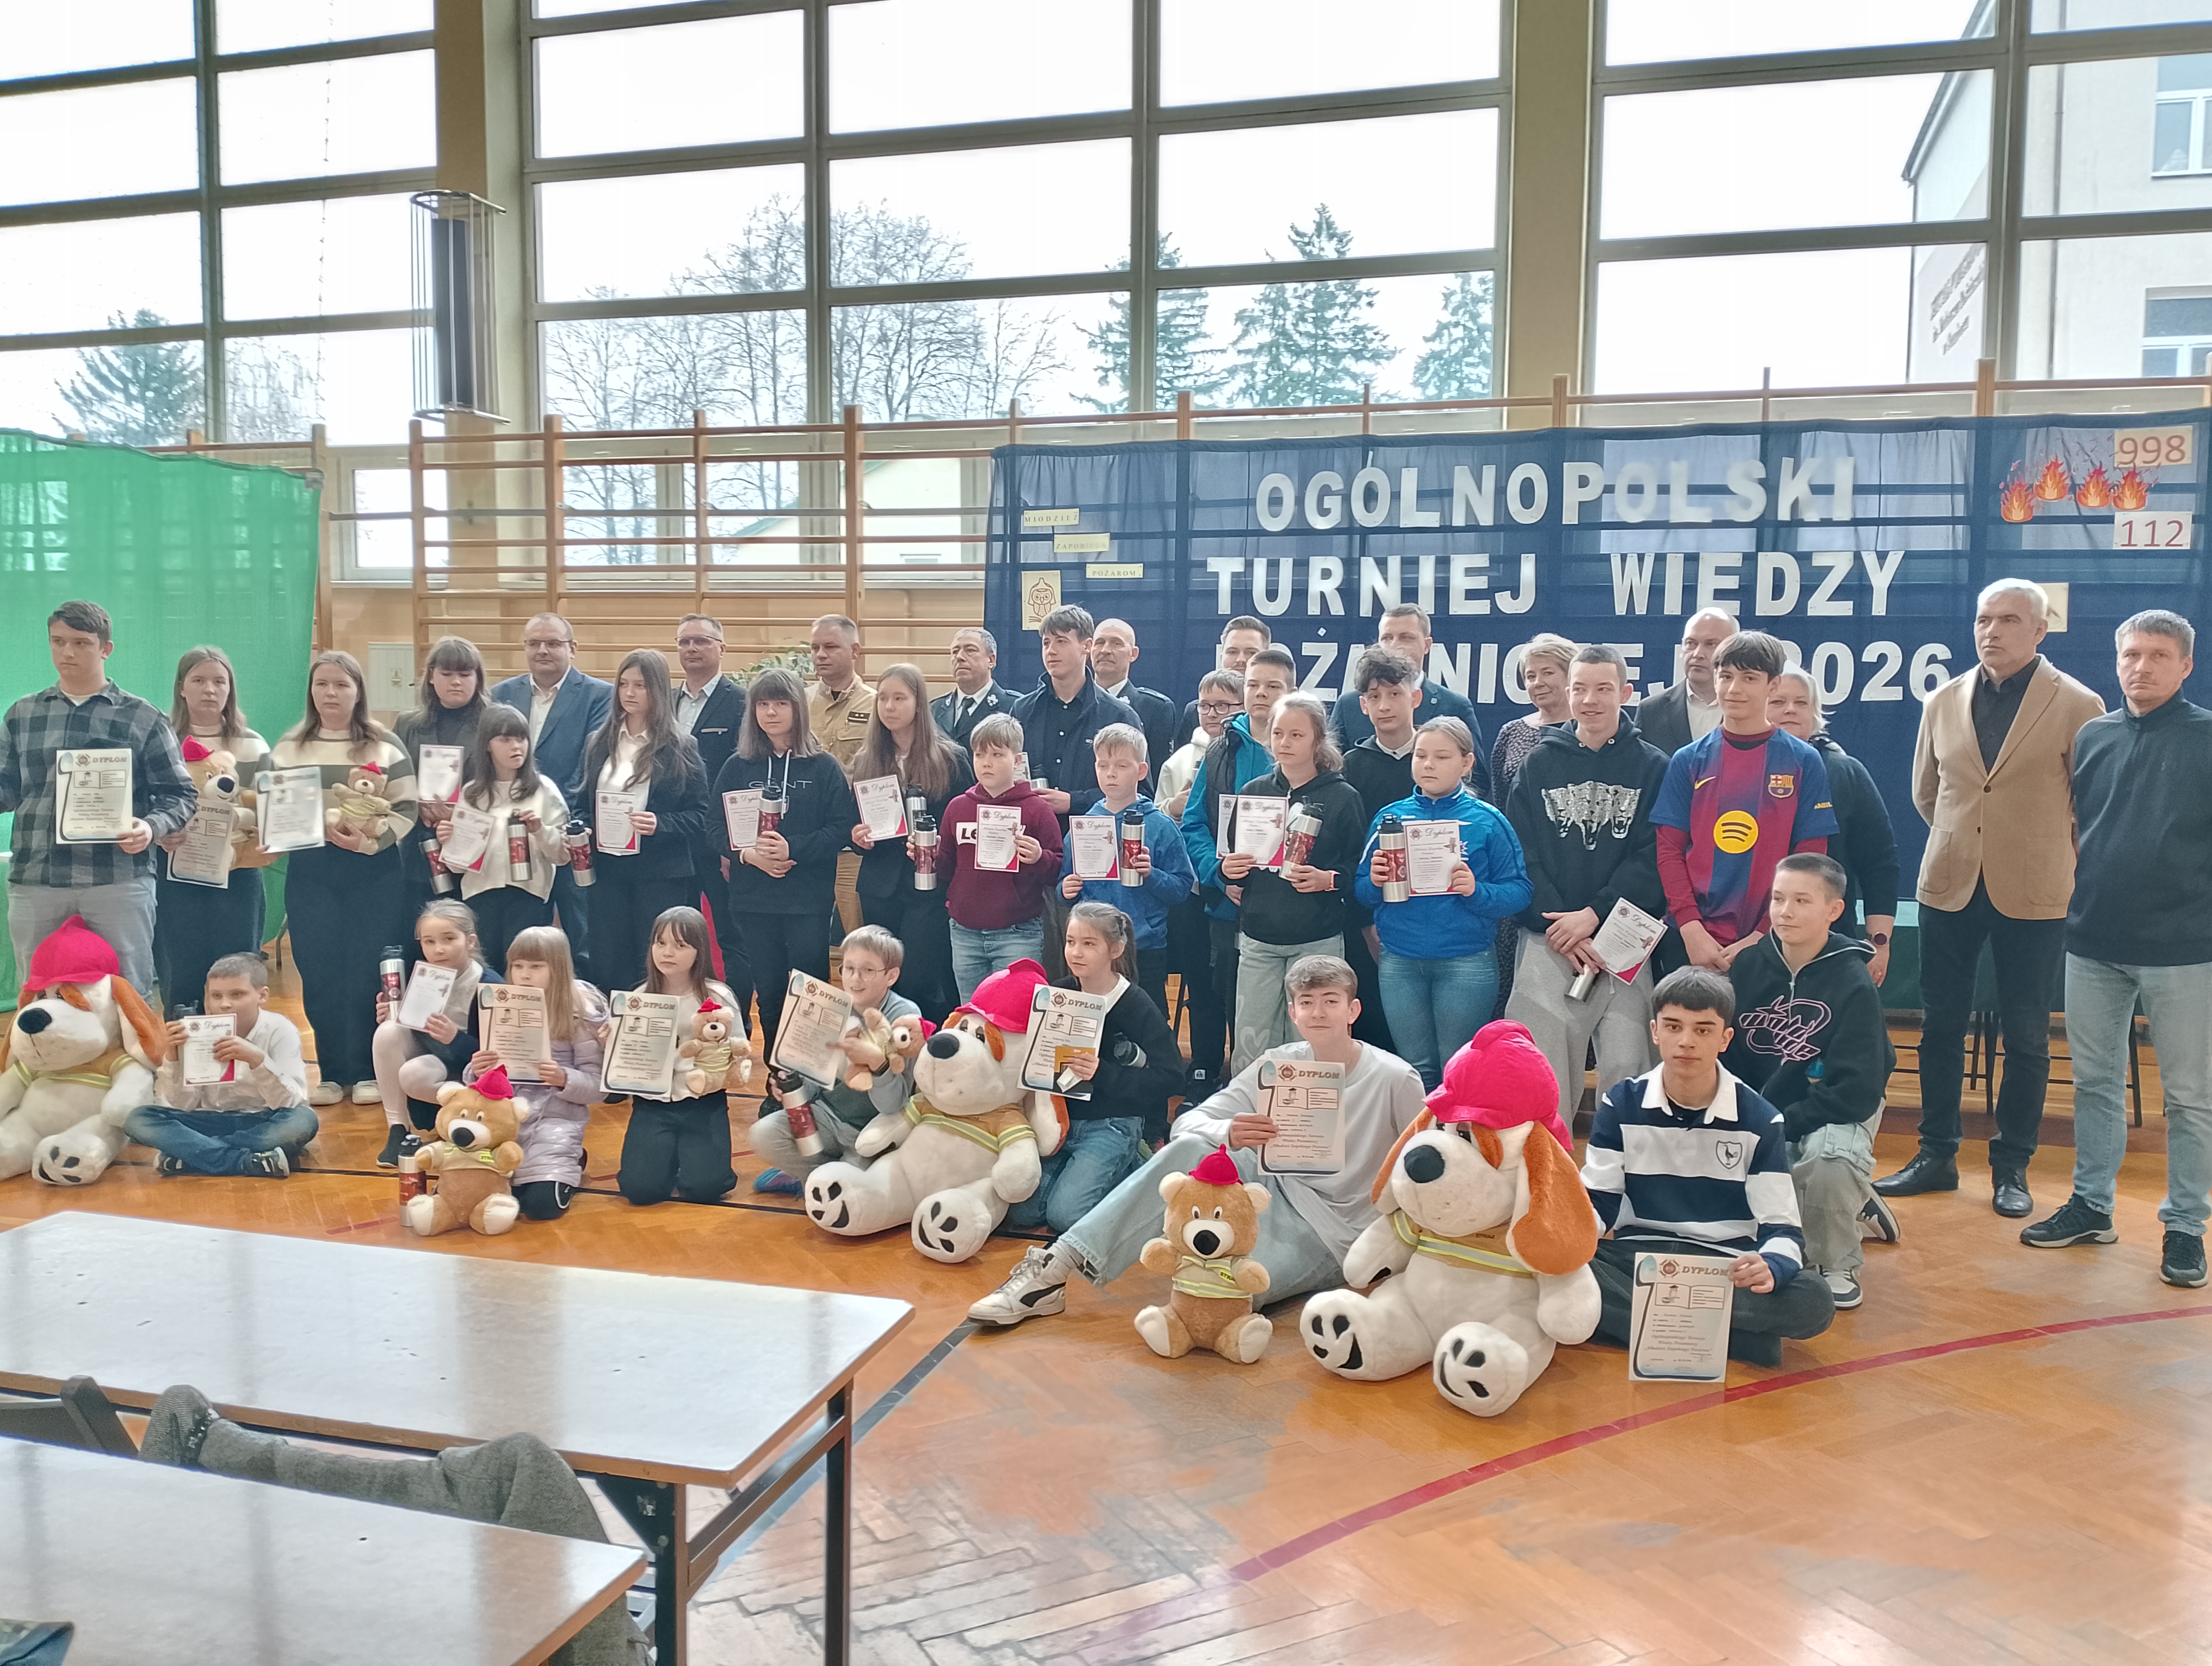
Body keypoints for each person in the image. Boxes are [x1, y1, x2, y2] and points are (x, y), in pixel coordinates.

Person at [967, 953, 1424, 1329]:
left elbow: (1417, 1167)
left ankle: (1196, 1292)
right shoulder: (1278, 1065)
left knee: (1223, 1296)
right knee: (1193, 1149)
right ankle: (1056, 1267)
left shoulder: (1395, 1078)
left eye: (1331, 1001)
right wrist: (1229, 1131)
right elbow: (1188, 1124)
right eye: (1307, 1003)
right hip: (1272, 1191)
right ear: (1293, 1013)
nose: (1319, 1013)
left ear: (1353, 1011)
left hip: (1333, 1228)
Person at [1877, 579, 2104, 1219]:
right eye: (1984, 619)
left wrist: (2034, 849)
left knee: (2027, 1034)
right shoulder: (1943, 699)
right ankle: (1936, 1155)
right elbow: (1928, 793)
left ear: (2039, 630)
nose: (1991, 631)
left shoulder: (2077, 703)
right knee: (1940, 1027)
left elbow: (2089, 804)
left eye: (2008, 620)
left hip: (2035, 890)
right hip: (1950, 882)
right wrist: (1969, 840)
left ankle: (2012, 1167)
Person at [2023, 611, 2212, 1285]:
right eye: (2132, 655)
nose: (2143, 667)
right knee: (2095, 1084)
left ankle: (2186, 1228)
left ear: (2186, 666)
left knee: (2189, 1098)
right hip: (2094, 940)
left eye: (2159, 656)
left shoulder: (2206, 737)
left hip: (2185, 948)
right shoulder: (2094, 736)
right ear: (2116, 661)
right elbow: (2085, 829)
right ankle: (2092, 1206)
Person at [1581, 966, 1836, 1368]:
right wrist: (1566, 1242)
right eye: (1674, 1026)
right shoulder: (1621, 1104)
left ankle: (1634, 1326)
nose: (1686, 1041)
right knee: (1561, 1268)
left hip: (1724, 1268)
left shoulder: (1760, 1119)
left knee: (1814, 1300)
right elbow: (1598, 1202)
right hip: (1639, 1260)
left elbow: (1783, 1229)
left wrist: (1772, 1266)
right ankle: (1737, 1341)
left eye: (1703, 1030)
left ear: (1725, 1039)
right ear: (1655, 1032)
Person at [1504, 644, 1668, 1124]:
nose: (1590, 700)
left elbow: (1654, 856)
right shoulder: (1538, 764)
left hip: (1624, 935)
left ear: (1626, 693)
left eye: (1603, 689)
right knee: (1544, 1069)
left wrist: (1594, 915)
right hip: (1551, 935)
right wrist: (1562, 926)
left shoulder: (1654, 766)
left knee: (1629, 1062)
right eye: (1580, 689)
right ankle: (1545, 1165)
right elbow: (1521, 852)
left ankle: (1624, 1165)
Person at [1725, 854, 1895, 1311]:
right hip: (1765, 1108)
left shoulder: (1854, 981)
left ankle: (1836, 1260)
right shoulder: (1748, 967)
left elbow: (1856, 1089)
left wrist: (1784, 1125)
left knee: (1827, 1161)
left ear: (1833, 910)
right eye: (1779, 899)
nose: (1786, 912)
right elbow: (1731, 1059)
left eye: (1802, 901)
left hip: (1838, 1105)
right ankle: (1854, 1200)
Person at [0, 600, 196, 998]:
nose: (67, 652)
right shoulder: (22, 715)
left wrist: (150, 827)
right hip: (37, 878)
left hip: (118, 879)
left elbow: (180, 794)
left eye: (81, 643)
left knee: (128, 994)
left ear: (106, 649)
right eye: (58, 641)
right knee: (37, 997)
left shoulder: (143, 717)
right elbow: (8, 789)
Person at [271, 650, 418, 1108]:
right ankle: (333, 1071)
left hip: (373, 870)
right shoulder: (289, 746)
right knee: (318, 968)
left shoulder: (386, 744)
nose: (331, 693)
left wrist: (369, 844)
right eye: (322, 684)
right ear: (311, 691)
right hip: (311, 870)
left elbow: (407, 809)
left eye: (341, 684)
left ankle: (370, 1070)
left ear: (358, 691)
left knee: (368, 968)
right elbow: (273, 807)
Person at [1355, 716, 1532, 1091]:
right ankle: (1421, 1131)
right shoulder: (1390, 818)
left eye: (1442, 756)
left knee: (1458, 1069)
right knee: (1414, 1069)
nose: (1429, 765)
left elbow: (1519, 892)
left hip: (1465, 962)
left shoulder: (1488, 821)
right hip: (1400, 961)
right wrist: (1375, 882)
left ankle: (1457, 1131)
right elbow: (1361, 893)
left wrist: (1477, 891)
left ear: (1467, 763)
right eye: (1421, 755)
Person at [1651, 630, 1837, 973]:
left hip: (1771, 937)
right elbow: (1669, 851)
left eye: (1749, 678)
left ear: (1773, 685)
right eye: (1726, 676)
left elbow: (1810, 859)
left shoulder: (1803, 761)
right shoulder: (1688, 760)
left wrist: (1764, 934)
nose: (1734, 689)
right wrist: (1690, 927)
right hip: (1691, 938)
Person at [1007, 903, 1183, 1231]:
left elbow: (1171, 1077)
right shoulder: (1058, 992)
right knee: (1023, 1213)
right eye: (1071, 941)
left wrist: (1103, 1073)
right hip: (1062, 1123)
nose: (1076, 952)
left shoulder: (1136, 1005)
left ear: (1115, 950)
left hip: (1113, 1123)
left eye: (1089, 944)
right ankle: (1103, 1171)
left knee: (1065, 1216)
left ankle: (1138, 1164)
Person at [717, 667, 857, 1061]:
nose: (771, 712)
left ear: (799, 708)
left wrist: (792, 849)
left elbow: (841, 829)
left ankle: (813, 1071)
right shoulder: (737, 766)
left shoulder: (823, 767)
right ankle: (778, 1073)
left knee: (812, 990)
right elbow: (714, 828)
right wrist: (749, 856)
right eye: (763, 704)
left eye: (781, 703)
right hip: (753, 899)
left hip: (807, 900)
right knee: (770, 990)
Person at [1227, 690, 1367, 1071]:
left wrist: (1328, 879)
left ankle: (1313, 1110)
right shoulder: (1254, 793)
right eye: (1278, 733)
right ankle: (1253, 1107)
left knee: (1313, 1042)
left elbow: (1359, 869)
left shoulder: (1343, 797)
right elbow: (1233, 862)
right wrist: (1228, 872)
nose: (1285, 743)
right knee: (1252, 1041)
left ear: (1318, 740)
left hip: (1317, 938)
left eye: (1296, 735)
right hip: (1259, 938)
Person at [1181, 646, 1292, 1094]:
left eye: (1273, 686)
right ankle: (1225, 1090)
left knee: (1284, 1011)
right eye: (1253, 685)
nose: (1261, 693)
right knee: (1226, 1000)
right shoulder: (1220, 750)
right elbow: (1193, 824)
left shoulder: (1308, 751)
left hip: (1289, 909)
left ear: (1292, 691)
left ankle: (1280, 1096)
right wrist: (1220, 872)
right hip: (1228, 908)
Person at [748, 924, 922, 1196]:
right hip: (827, 1117)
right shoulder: (832, 1007)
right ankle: (815, 1179)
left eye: (868, 970)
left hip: (872, 1132)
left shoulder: (904, 1016)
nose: (855, 978)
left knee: (857, 1193)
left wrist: (878, 1065)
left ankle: (820, 1180)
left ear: (891, 976)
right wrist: (791, 1086)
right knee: (763, 1134)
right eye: (848, 968)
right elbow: (815, 1084)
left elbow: (893, 1106)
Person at [580, 648, 709, 1002]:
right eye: (623, 684)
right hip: (607, 870)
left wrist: (660, 823)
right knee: (608, 957)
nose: (630, 693)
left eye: (640, 685)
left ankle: (656, 1030)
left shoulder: (682, 746)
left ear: (658, 690)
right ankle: (611, 1027)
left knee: (654, 960)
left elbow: (702, 814)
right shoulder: (598, 742)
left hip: (659, 872)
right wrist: (582, 829)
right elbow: (581, 803)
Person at [153, 646, 274, 1018]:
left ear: (230, 689)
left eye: (220, 681)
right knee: (180, 974)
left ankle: (239, 1052)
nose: (210, 689)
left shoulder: (253, 744)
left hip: (239, 878)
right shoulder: (159, 740)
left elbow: (270, 810)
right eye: (199, 680)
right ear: (181, 688)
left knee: (237, 973)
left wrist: (268, 837)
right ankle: (184, 1051)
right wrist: (159, 831)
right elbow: (145, 803)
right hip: (177, 876)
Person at [490, 613, 611, 975]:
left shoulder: (599, 695)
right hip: (515, 834)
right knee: (524, 936)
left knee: (582, 932)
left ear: (573, 648)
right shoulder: (501, 694)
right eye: (534, 643)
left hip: (570, 829)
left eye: (553, 643)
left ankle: (585, 1003)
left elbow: (591, 762)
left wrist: (557, 815)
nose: (542, 650)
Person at [851, 663, 972, 1024]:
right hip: (879, 887)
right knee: (878, 980)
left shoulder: (951, 757)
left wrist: (940, 844)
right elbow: (851, 826)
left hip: (928, 890)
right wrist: (857, 838)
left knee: (920, 980)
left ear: (920, 704)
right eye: (883, 699)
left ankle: (925, 1047)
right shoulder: (865, 760)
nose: (889, 707)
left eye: (899, 698)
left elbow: (967, 819)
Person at [124, 952, 315, 1178]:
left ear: (262, 996)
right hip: (208, 1119)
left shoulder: (280, 1030)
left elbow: (292, 1101)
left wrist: (257, 1060)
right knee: (139, 1118)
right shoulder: (194, 1032)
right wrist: (173, 1058)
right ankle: (247, 1161)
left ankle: (194, 1155)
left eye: (237, 994)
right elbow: (181, 1105)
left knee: (303, 1120)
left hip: (264, 1119)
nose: (224, 1004)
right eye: (216, 996)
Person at [1766, 666, 1899, 986]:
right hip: (1746, 942)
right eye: (1778, 701)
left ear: (1815, 712)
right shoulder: (1729, 769)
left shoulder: (1845, 772)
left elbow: (1879, 863)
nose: (1790, 710)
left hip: (1828, 946)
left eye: (1801, 703)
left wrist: (1879, 943)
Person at [1056, 723, 1194, 1024]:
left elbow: (1183, 887)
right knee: (1094, 1023)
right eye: (1103, 766)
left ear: (1141, 770)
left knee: (1149, 1023)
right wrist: (1066, 889)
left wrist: (1152, 874)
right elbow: (1065, 883)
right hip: (1093, 946)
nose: (1111, 774)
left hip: (1144, 946)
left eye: (1121, 766)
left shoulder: (1160, 826)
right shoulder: (1084, 826)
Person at [468, 924, 606, 1221]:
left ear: (558, 968)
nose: (525, 975)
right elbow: (484, 1076)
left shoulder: (579, 1012)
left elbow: (599, 1086)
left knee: (541, 1207)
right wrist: (476, 1070)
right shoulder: (502, 1006)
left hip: (555, 1121)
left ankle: (570, 1159)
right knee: (475, 1194)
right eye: (517, 966)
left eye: (536, 967)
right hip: (503, 1120)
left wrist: (564, 1079)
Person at [615, 907, 740, 1206]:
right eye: (660, 943)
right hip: (652, 1105)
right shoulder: (638, 998)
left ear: (700, 951)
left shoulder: (718, 997)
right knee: (640, 1191)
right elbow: (624, 1064)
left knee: (706, 1189)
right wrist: (611, 1043)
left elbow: (738, 1050)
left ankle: (688, 1158)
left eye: (680, 945)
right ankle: (666, 1156)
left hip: (703, 1103)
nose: (667, 952)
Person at [1156, 669, 1242, 1089]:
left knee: (1237, 984)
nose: (1212, 713)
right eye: (1206, 704)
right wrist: (1174, 806)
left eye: (1223, 705)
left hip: (1235, 888)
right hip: (1191, 890)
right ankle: (1205, 1064)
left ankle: (1241, 1068)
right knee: (1200, 981)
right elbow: (1157, 816)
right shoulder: (1178, 761)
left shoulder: (1252, 755)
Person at [370, 898, 501, 1165]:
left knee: (415, 1074)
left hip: (473, 1073)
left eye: (449, 939)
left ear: (470, 942)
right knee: (388, 1033)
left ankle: (473, 1119)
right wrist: (396, 1015)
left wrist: (456, 1039)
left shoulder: (489, 986)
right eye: (428, 942)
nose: (438, 950)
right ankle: (398, 1131)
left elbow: (498, 1059)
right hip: (439, 1064)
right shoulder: (424, 978)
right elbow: (413, 1033)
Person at [1337, 646, 1422, 1056]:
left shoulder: (1436, 757)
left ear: (1415, 697)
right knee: (1371, 1021)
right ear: (1363, 706)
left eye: (1394, 694)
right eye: (1374, 696)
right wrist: (1366, 923)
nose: (1384, 705)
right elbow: (1348, 851)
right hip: (1368, 916)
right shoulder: (1350, 766)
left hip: (1432, 917)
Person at [942, 713, 1062, 999]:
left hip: (1017, 932)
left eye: (997, 755)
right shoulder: (957, 807)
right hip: (965, 932)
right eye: (980, 754)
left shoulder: (1037, 810)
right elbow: (945, 868)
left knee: (1015, 1013)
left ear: (1017, 760)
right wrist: (929, 854)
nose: (987, 763)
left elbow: (1058, 868)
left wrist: (1039, 857)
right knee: (971, 1013)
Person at [449, 703, 569, 973]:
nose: (516, 747)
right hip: (480, 896)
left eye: (521, 738)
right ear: (487, 746)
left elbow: (563, 856)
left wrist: (540, 830)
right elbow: (457, 867)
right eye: (505, 740)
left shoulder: (544, 790)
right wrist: (449, 841)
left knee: (524, 971)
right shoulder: (472, 794)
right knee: (485, 971)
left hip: (529, 897)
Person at [1328, 605, 1488, 797]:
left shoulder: (1455, 705)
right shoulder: (1348, 704)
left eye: (1406, 637)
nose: (1395, 645)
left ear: (1427, 645)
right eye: (1387, 638)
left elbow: (1476, 778)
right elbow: (1331, 772)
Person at [671, 613, 749, 994]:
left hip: (719, 840)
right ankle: (682, 1009)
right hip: (673, 838)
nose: (692, 648)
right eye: (684, 641)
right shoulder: (665, 702)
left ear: (722, 648)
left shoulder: (741, 703)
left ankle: (738, 1018)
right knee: (675, 933)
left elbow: (744, 778)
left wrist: (734, 844)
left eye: (701, 640)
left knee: (732, 934)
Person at [394, 636, 488, 931]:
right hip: (418, 847)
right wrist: (416, 806)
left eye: (465, 674)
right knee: (419, 934)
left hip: (476, 849)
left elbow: (509, 786)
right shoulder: (407, 724)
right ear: (431, 677)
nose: (456, 682)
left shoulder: (494, 723)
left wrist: (460, 815)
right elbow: (394, 782)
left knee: (470, 935)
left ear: (478, 678)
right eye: (447, 674)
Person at [807, 613, 874, 937]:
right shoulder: (798, 703)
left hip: (852, 844)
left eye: (831, 647)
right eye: (815, 648)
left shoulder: (877, 705)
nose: (821, 655)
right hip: (807, 840)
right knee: (808, 937)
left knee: (859, 935)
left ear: (855, 651)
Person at [1089, 618, 1177, 789]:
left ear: (1133, 654)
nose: (1105, 650)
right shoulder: (1073, 704)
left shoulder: (1155, 708)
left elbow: (1157, 777)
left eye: (1116, 643)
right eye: (1099, 643)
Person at [1635, 606, 1735, 755]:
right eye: (1691, 643)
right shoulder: (1651, 711)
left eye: (1711, 644)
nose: (1698, 654)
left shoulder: (1752, 707)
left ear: (1734, 650)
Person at [1490, 633, 1577, 801]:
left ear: (1572, 676)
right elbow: (1500, 797)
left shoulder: (1590, 729)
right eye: (1531, 676)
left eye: (1548, 673)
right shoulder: (1512, 732)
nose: (1538, 683)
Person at [1172, 616, 1271, 750]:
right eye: (1232, 652)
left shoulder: (1280, 710)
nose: (1241, 660)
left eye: (1251, 652)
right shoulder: (1195, 712)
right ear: (1221, 656)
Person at [931, 626, 1010, 749]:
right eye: (955, 652)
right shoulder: (934, 710)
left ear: (991, 660)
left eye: (970, 650)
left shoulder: (1014, 707)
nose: (959, 657)